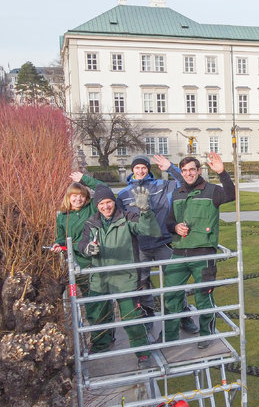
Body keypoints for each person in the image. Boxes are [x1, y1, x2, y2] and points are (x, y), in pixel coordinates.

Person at [79, 185, 160, 367]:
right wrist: (87, 249)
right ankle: (102, 343)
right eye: (101, 203)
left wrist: (145, 210)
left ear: (114, 202)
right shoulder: (91, 223)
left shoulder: (127, 218)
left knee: (131, 318)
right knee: (97, 315)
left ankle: (143, 353)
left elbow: (150, 230)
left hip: (126, 278)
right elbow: (82, 244)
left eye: (108, 202)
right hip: (100, 278)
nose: (106, 207)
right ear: (96, 205)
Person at [117, 154, 199, 334]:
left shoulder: (161, 186)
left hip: (163, 242)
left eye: (144, 167)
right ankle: (147, 316)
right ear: (132, 170)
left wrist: (170, 167)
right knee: (142, 283)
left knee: (174, 280)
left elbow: (183, 182)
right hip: (139, 245)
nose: (140, 171)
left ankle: (183, 315)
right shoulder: (123, 195)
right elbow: (115, 218)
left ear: (148, 169)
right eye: (137, 168)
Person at [164, 153, 235, 347]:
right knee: (171, 295)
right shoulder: (177, 194)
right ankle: (169, 337)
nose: (188, 174)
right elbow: (169, 221)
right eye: (184, 171)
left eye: (191, 170)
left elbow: (231, 194)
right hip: (178, 252)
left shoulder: (212, 191)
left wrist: (222, 172)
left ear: (198, 171)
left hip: (203, 254)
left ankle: (206, 335)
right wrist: (175, 227)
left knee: (204, 297)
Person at [52, 171, 104, 294]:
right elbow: (60, 238)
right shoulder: (63, 217)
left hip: (98, 257)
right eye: (74, 196)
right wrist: (57, 245)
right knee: (88, 294)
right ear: (68, 197)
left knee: (103, 293)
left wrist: (84, 179)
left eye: (81, 196)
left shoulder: (91, 208)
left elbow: (103, 189)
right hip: (78, 261)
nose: (78, 199)